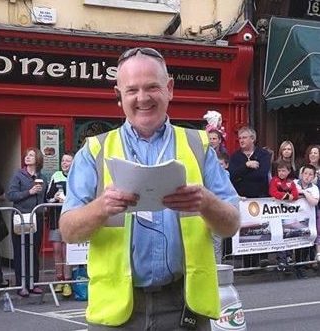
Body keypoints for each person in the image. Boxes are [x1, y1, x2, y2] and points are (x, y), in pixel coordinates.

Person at [59, 47, 240, 330]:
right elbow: (68, 231)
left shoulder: (198, 145)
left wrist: (206, 202)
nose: (142, 98)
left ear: (169, 89)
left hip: (184, 307)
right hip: (117, 312)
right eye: (132, 90)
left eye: (152, 87)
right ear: (118, 96)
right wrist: (100, 208)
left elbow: (231, 224)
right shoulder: (94, 151)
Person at [229, 126, 271, 272]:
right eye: (240, 138)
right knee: (246, 231)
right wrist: (247, 165)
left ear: (252, 139)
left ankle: (262, 260)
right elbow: (232, 175)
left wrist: (242, 175)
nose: (241, 140)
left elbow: (261, 174)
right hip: (243, 200)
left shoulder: (263, 154)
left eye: (244, 137)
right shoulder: (235, 157)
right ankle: (248, 265)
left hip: (260, 198)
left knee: (261, 229)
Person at [7, 147, 47, 297]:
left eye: (31, 155)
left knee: (34, 251)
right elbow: (11, 195)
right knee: (21, 251)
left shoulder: (42, 177)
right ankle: (21, 285)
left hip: (37, 217)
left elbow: (44, 196)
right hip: (21, 217)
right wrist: (29, 192)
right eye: (27, 155)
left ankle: (33, 283)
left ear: (38, 159)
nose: (27, 157)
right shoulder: (18, 175)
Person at [46, 152, 74, 297]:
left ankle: (68, 282)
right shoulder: (56, 176)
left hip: (71, 219)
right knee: (57, 250)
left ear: (73, 162)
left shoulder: (77, 175)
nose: (64, 163)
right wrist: (54, 198)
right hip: (56, 219)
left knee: (67, 251)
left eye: (68, 161)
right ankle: (59, 279)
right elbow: (47, 197)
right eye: (63, 160)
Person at [269, 160, 298, 271]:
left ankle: (289, 256)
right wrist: (286, 196)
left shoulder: (291, 182)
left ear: (289, 171)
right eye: (279, 171)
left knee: (288, 233)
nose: (281, 173)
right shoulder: (274, 180)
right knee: (279, 234)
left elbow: (295, 194)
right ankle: (281, 259)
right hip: (276, 213)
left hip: (288, 213)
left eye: (283, 171)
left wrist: (291, 196)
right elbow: (273, 192)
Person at [294, 164, 320, 278]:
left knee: (305, 241)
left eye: (310, 174)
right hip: (294, 217)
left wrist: (304, 193)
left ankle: (301, 265)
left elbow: (314, 202)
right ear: (301, 174)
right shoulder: (294, 183)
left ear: (314, 176)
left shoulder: (314, 188)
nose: (307, 176)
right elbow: (291, 196)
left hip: (308, 219)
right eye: (305, 173)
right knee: (295, 241)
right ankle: (295, 265)